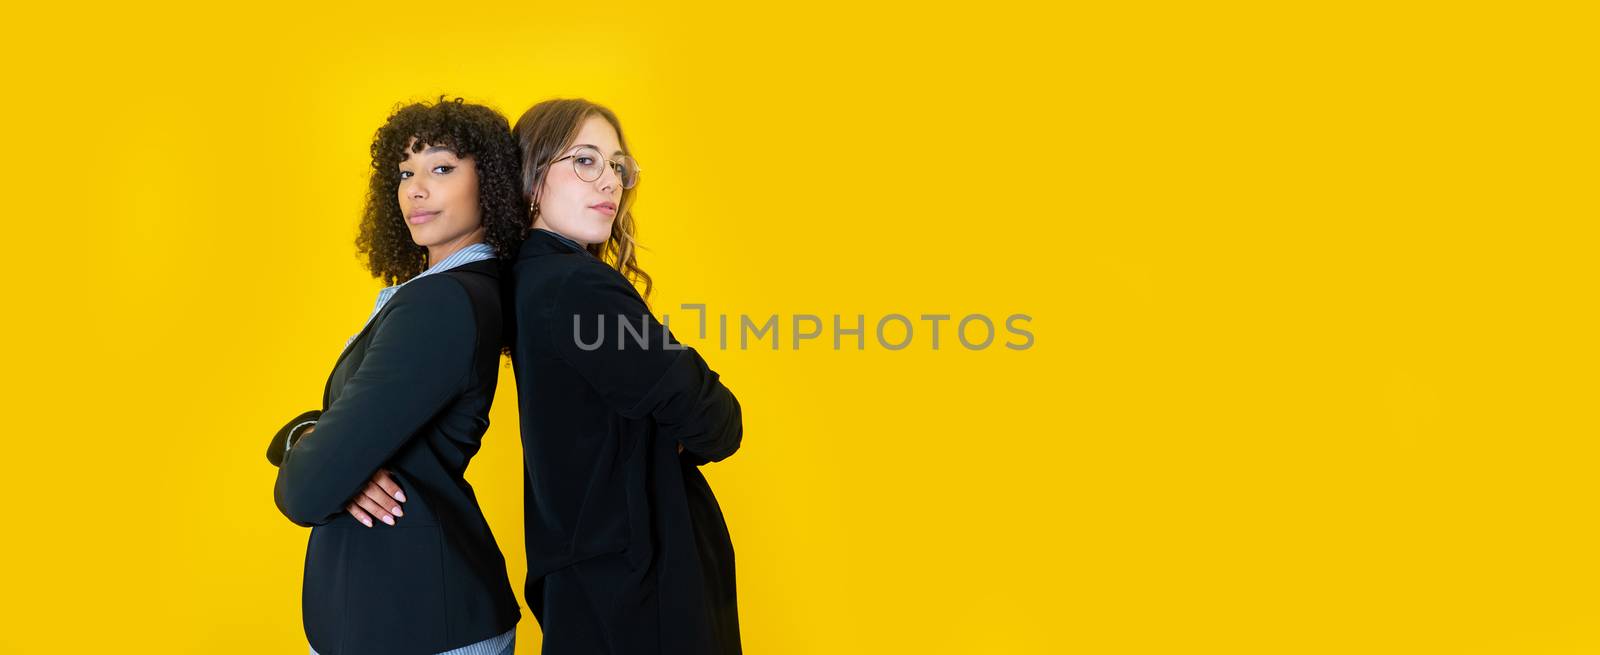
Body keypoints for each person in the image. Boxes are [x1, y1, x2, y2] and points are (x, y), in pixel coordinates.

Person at [265, 97, 526, 655]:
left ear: (493, 181)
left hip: (418, 622)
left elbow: (306, 493)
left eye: (441, 168)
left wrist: (327, 462)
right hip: (394, 613)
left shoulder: (443, 304)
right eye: (405, 172)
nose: (415, 189)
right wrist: (310, 440)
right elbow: (331, 438)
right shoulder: (441, 294)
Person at [505, 98, 744, 654]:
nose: (609, 181)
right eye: (585, 160)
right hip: (637, 589)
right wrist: (671, 425)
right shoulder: (580, 287)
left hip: (585, 577)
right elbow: (718, 423)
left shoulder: (525, 281)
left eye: (618, 165)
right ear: (532, 177)